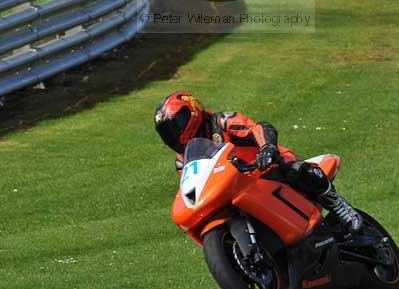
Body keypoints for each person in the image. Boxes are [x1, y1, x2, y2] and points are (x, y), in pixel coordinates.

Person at [154, 91, 362, 233]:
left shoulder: (221, 122)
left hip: (268, 168)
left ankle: (339, 205)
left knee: (298, 171)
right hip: (235, 190)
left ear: (192, 113)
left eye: (174, 126)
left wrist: (267, 148)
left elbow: (257, 128)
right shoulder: (184, 162)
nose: (171, 135)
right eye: (166, 132)